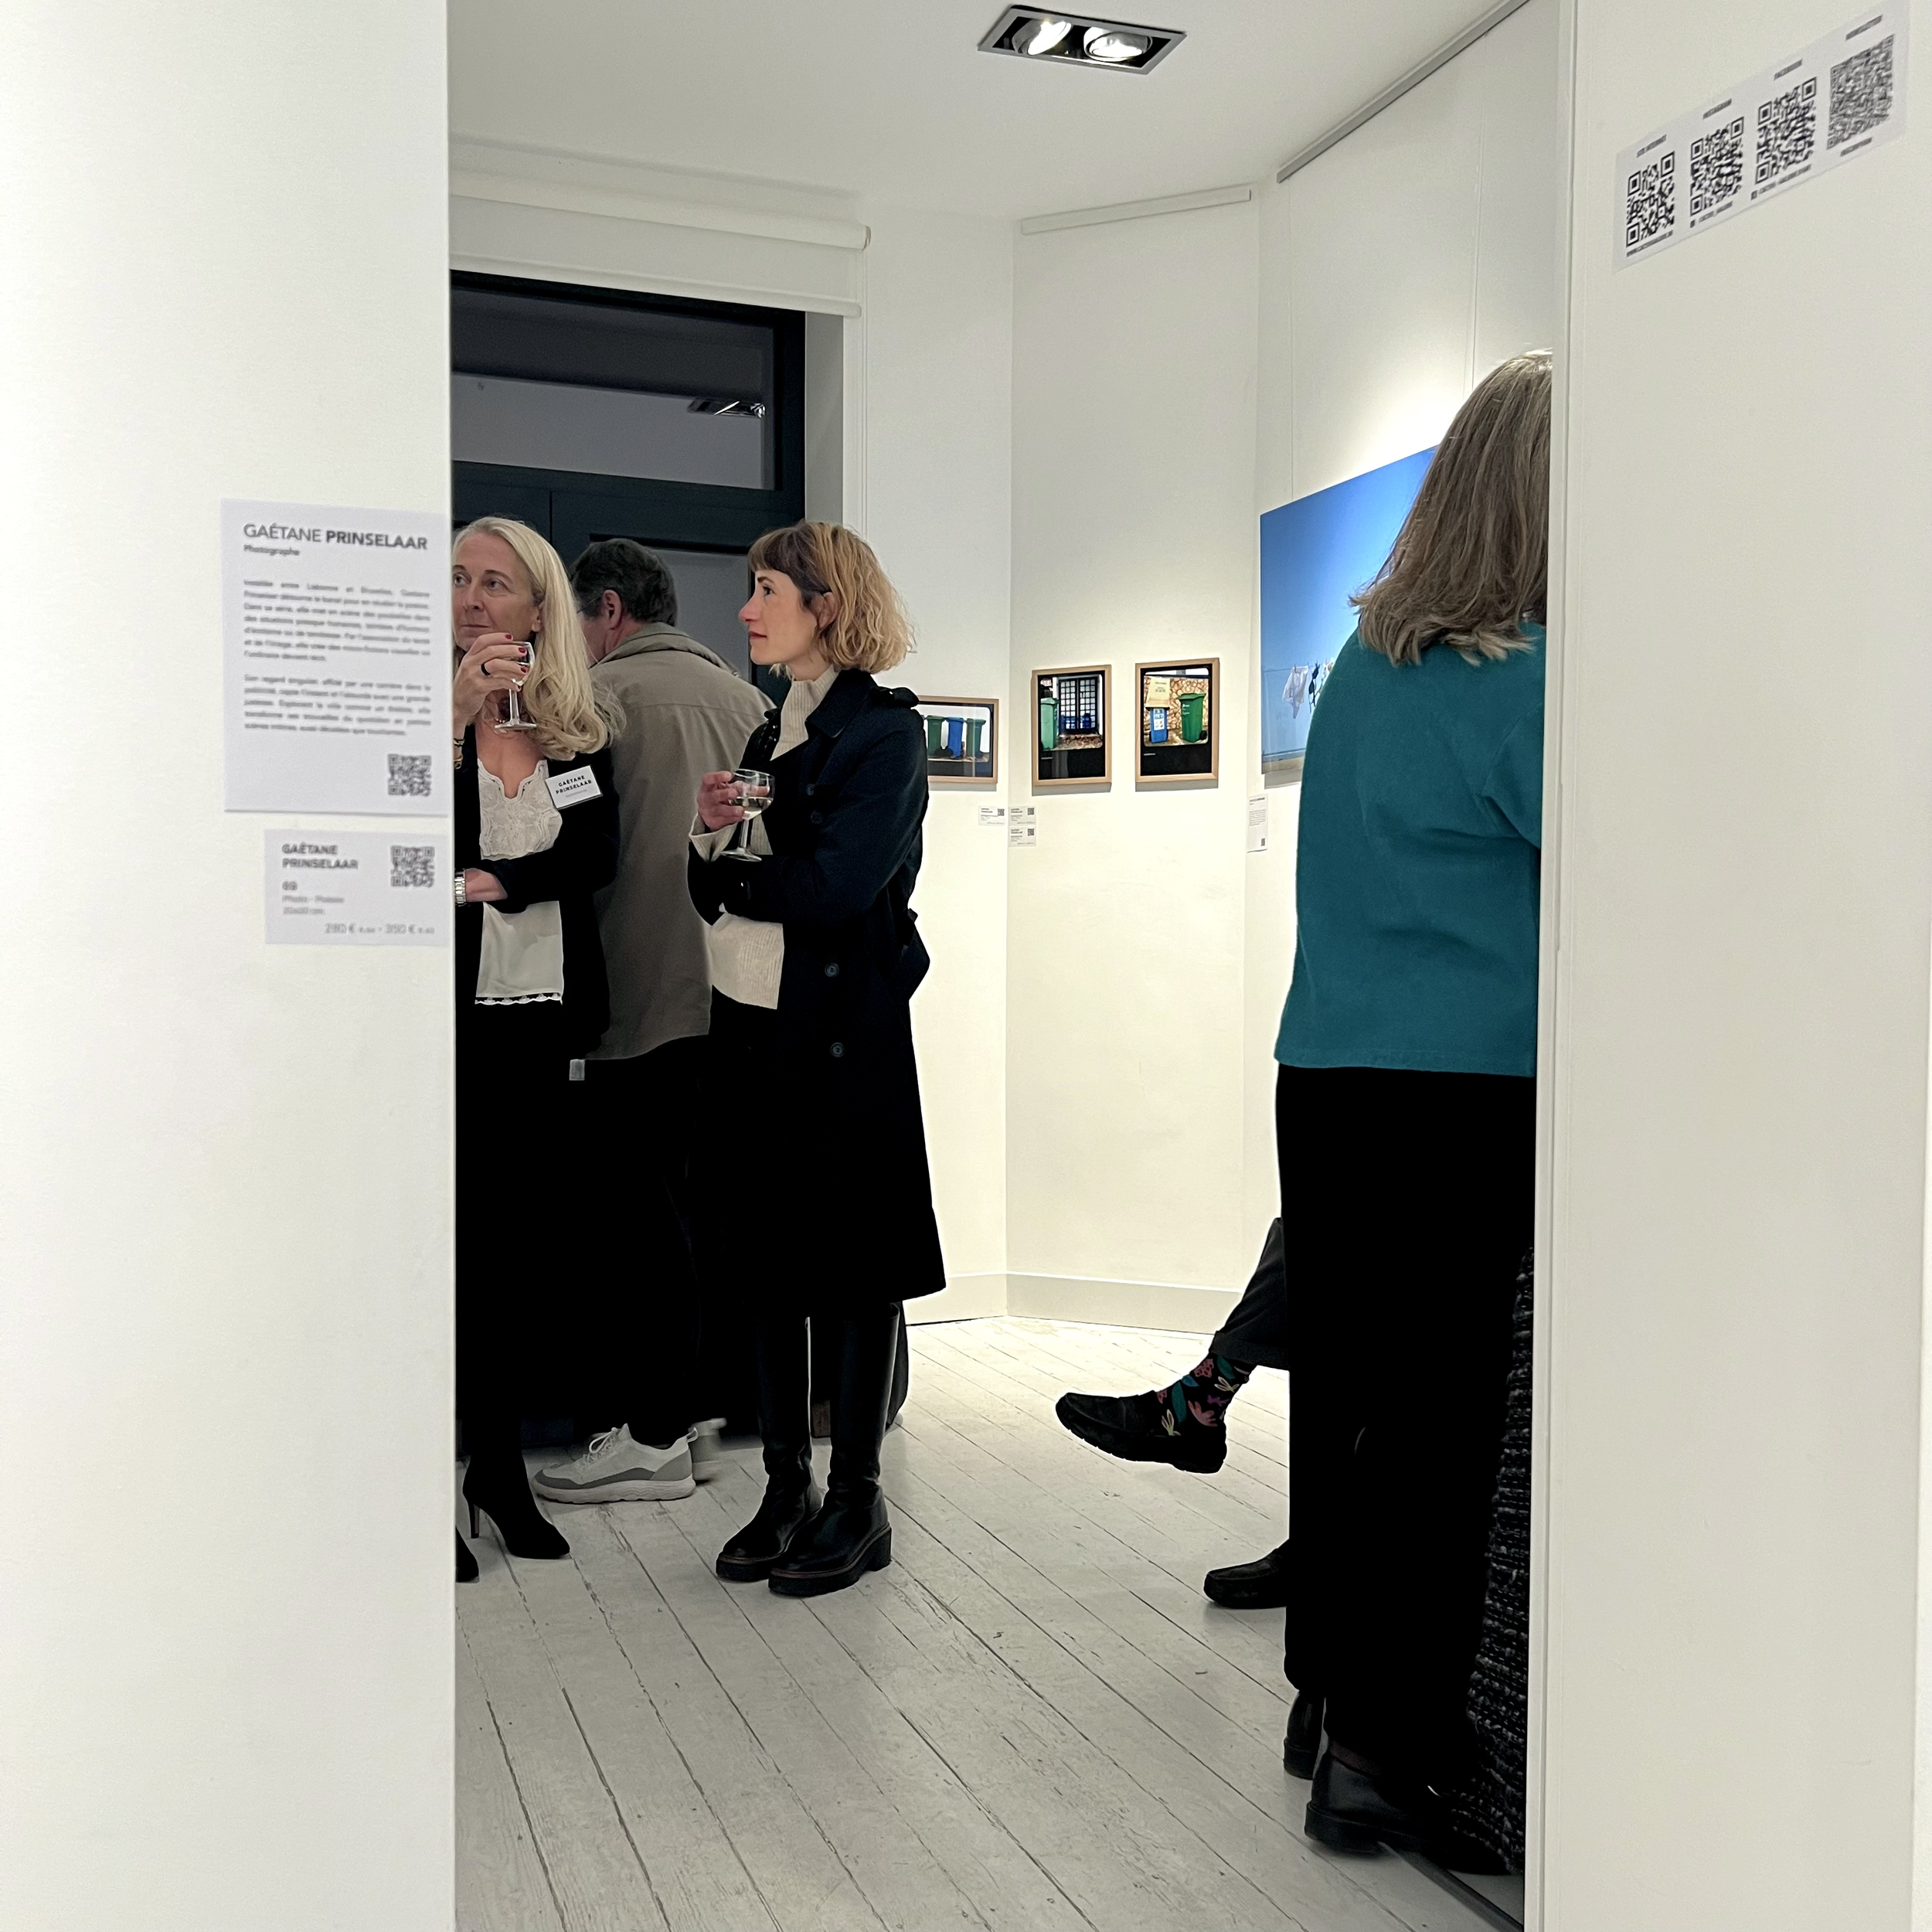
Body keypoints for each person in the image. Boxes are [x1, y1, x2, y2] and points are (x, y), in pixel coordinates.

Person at [1277, 351, 1549, 1859]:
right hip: (1464, 1090)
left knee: (1352, 1401)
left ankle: (1328, 1698)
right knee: (1443, 1429)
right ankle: (1388, 1749)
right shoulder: (1522, 682)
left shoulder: (1366, 669)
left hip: (1328, 1074)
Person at [688, 520, 944, 1598]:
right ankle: (784, 1488)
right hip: (755, 1026)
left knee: (852, 1271)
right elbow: (719, 880)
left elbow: (837, 888)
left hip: (840, 1039)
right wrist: (711, 835)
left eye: (766, 591)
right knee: (767, 1269)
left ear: (824, 605)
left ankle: (856, 1499)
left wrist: (737, 876)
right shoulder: (770, 726)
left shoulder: (882, 733)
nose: (747, 610)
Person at [528, 540, 768, 1510]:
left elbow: (574, 851)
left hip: (638, 993)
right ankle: (695, 1412)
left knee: (638, 1223)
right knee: (707, 1214)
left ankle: (652, 1433)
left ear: (609, 611)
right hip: (737, 995)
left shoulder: (601, 703)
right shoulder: (750, 704)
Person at [450, 516, 618, 1583]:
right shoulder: (418, 718)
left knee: (512, 1257)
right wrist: (452, 709)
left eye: (495, 582)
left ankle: (499, 1471)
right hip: (439, 1023)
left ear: (538, 607)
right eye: (459, 579)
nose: (472, 599)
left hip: (542, 1018)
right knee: (436, 1255)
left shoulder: (571, 729)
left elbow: (596, 852)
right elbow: (397, 838)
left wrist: (503, 879)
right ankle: (422, 1481)